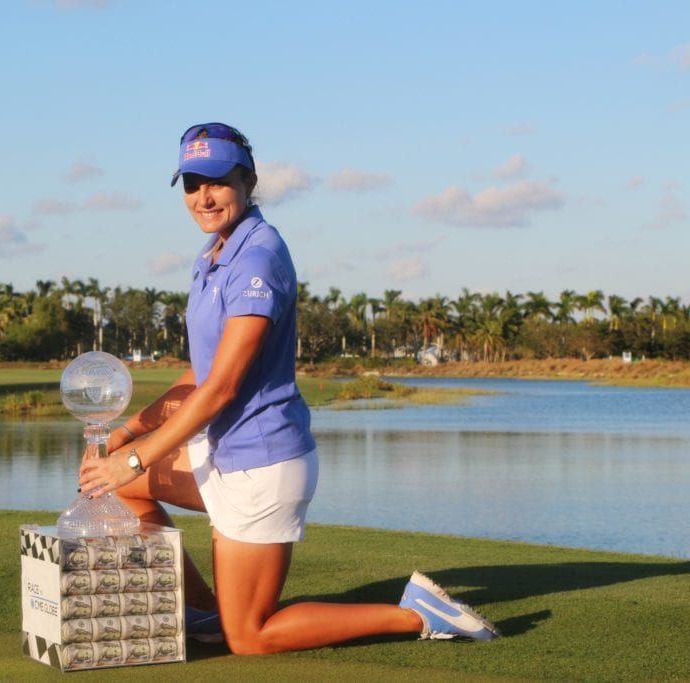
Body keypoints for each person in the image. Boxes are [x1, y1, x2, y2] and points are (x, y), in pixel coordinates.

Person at [77, 122, 498, 653]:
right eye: (191, 184)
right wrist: (130, 431)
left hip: (261, 466)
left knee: (252, 638)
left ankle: (416, 615)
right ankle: (206, 611)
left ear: (248, 183)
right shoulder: (212, 255)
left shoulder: (258, 256)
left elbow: (223, 387)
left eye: (218, 182)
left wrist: (135, 458)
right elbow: (200, 372)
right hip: (221, 456)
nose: (203, 197)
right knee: (119, 490)